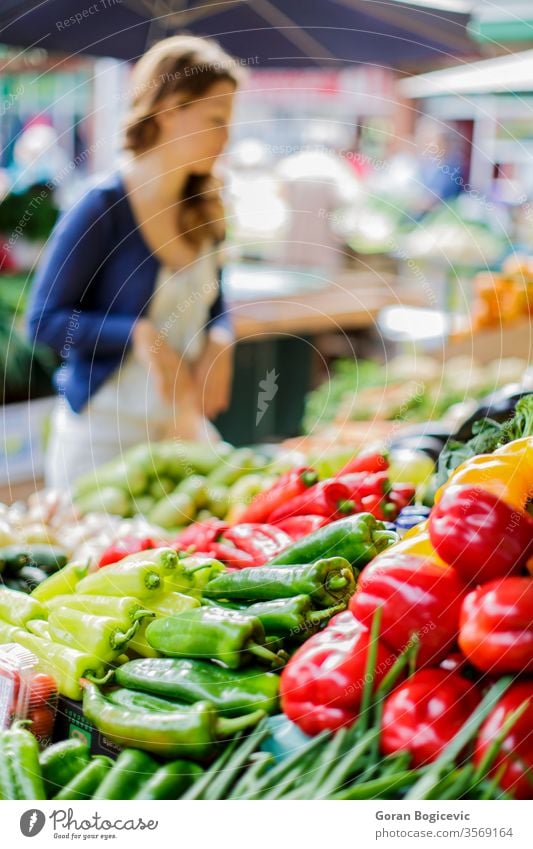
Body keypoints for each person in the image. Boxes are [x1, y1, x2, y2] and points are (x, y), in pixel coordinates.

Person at [27, 36, 239, 491]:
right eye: (215, 120)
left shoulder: (206, 205)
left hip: (182, 433)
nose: (226, 137)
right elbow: (43, 323)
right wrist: (138, 334)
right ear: (169, 111)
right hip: (102, 442)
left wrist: (222, 338)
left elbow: (215, 298)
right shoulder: (100, 209)